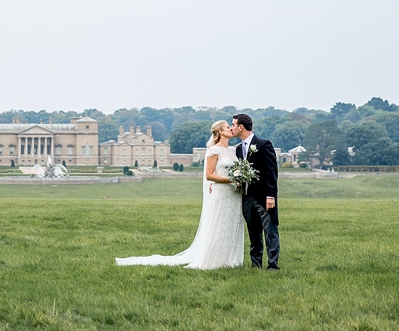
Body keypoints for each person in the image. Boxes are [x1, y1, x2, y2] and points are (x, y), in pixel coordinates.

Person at [116, 120, 244, 269]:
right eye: (228, 127)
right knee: (218, 226)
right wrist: (232, 180)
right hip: (222, 192)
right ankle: (214, 260)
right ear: (221, 132)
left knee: (231, 226)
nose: (231, 129)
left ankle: (231, 260)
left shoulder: (234, 150)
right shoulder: (213, 150)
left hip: (234, 194)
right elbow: (209, 175)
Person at [231, 114, 280, 271]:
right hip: (246, 198)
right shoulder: (238, 149)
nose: (231, 128)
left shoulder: (264, 144)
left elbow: (271, 172)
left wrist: (271, 196)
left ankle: (273, 265)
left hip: (264, 197)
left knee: (270, 231)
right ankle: (255, 264)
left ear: (241, 127)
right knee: (253, 233)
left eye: (233, 125)